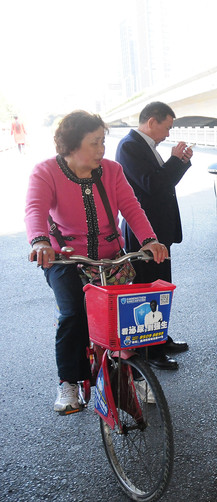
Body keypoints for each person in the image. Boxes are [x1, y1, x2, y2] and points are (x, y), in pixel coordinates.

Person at [25, 110, 168, 415]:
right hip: (66, 260)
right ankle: (69, 382)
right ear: (71, 146)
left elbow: (131, 206)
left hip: (112, 258)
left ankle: (132, 374)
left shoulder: (112, 171)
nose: (102, 150)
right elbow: (35, 208)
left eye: (103, 142)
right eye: (94, 143)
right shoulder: (46, 172)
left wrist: (148, 240)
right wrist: (40, 242)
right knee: (73, 313)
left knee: (129, 316)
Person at [117, 101, 193, 370]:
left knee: (160, 286)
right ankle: (150, 350)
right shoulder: (129, 146)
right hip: (144, 234)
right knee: (147, 290)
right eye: (167, 126)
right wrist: (174, 159)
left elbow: (163, 183)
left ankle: (160, 338)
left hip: (158, 231)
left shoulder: (145, 147)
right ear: (152, 122)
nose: (168, 133)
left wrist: (180, 163)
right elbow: (153, 185)